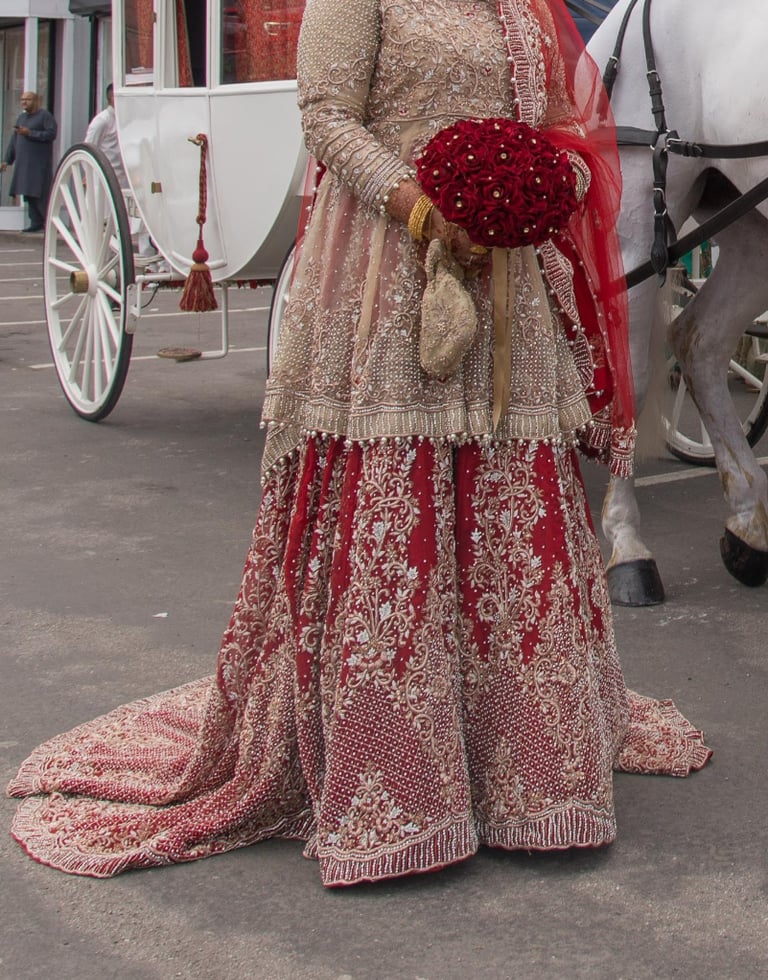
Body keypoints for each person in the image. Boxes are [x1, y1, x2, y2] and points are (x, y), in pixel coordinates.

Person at [7, 0, 711, 886]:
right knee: (395, 494)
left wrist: (539, 191)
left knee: (510, 494)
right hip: (385, 264)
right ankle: (400, 788)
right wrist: (424, 207)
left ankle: (531, 777)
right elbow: (328, 114)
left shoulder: (516, 6)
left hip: (505, 279)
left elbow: (562, 125)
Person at [0, 91, 57, 233]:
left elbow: (51, 134)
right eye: (22, 99)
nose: (24, 102)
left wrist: (30, 133)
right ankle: (35, 222)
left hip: (38, 164)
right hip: (24, 164)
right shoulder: (21, 118)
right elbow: (15, 140)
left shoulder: (45, 116)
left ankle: (47, 223)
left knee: (39, 193)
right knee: (28, 193)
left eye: (28, 99)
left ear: (36, 101)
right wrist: (7, 160)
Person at [84, 83, 128, 188]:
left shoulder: (125, 119)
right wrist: (90, 175)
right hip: (103, 180)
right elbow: (88, 149)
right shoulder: (102, 121)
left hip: (122, 179)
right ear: (113, 98)